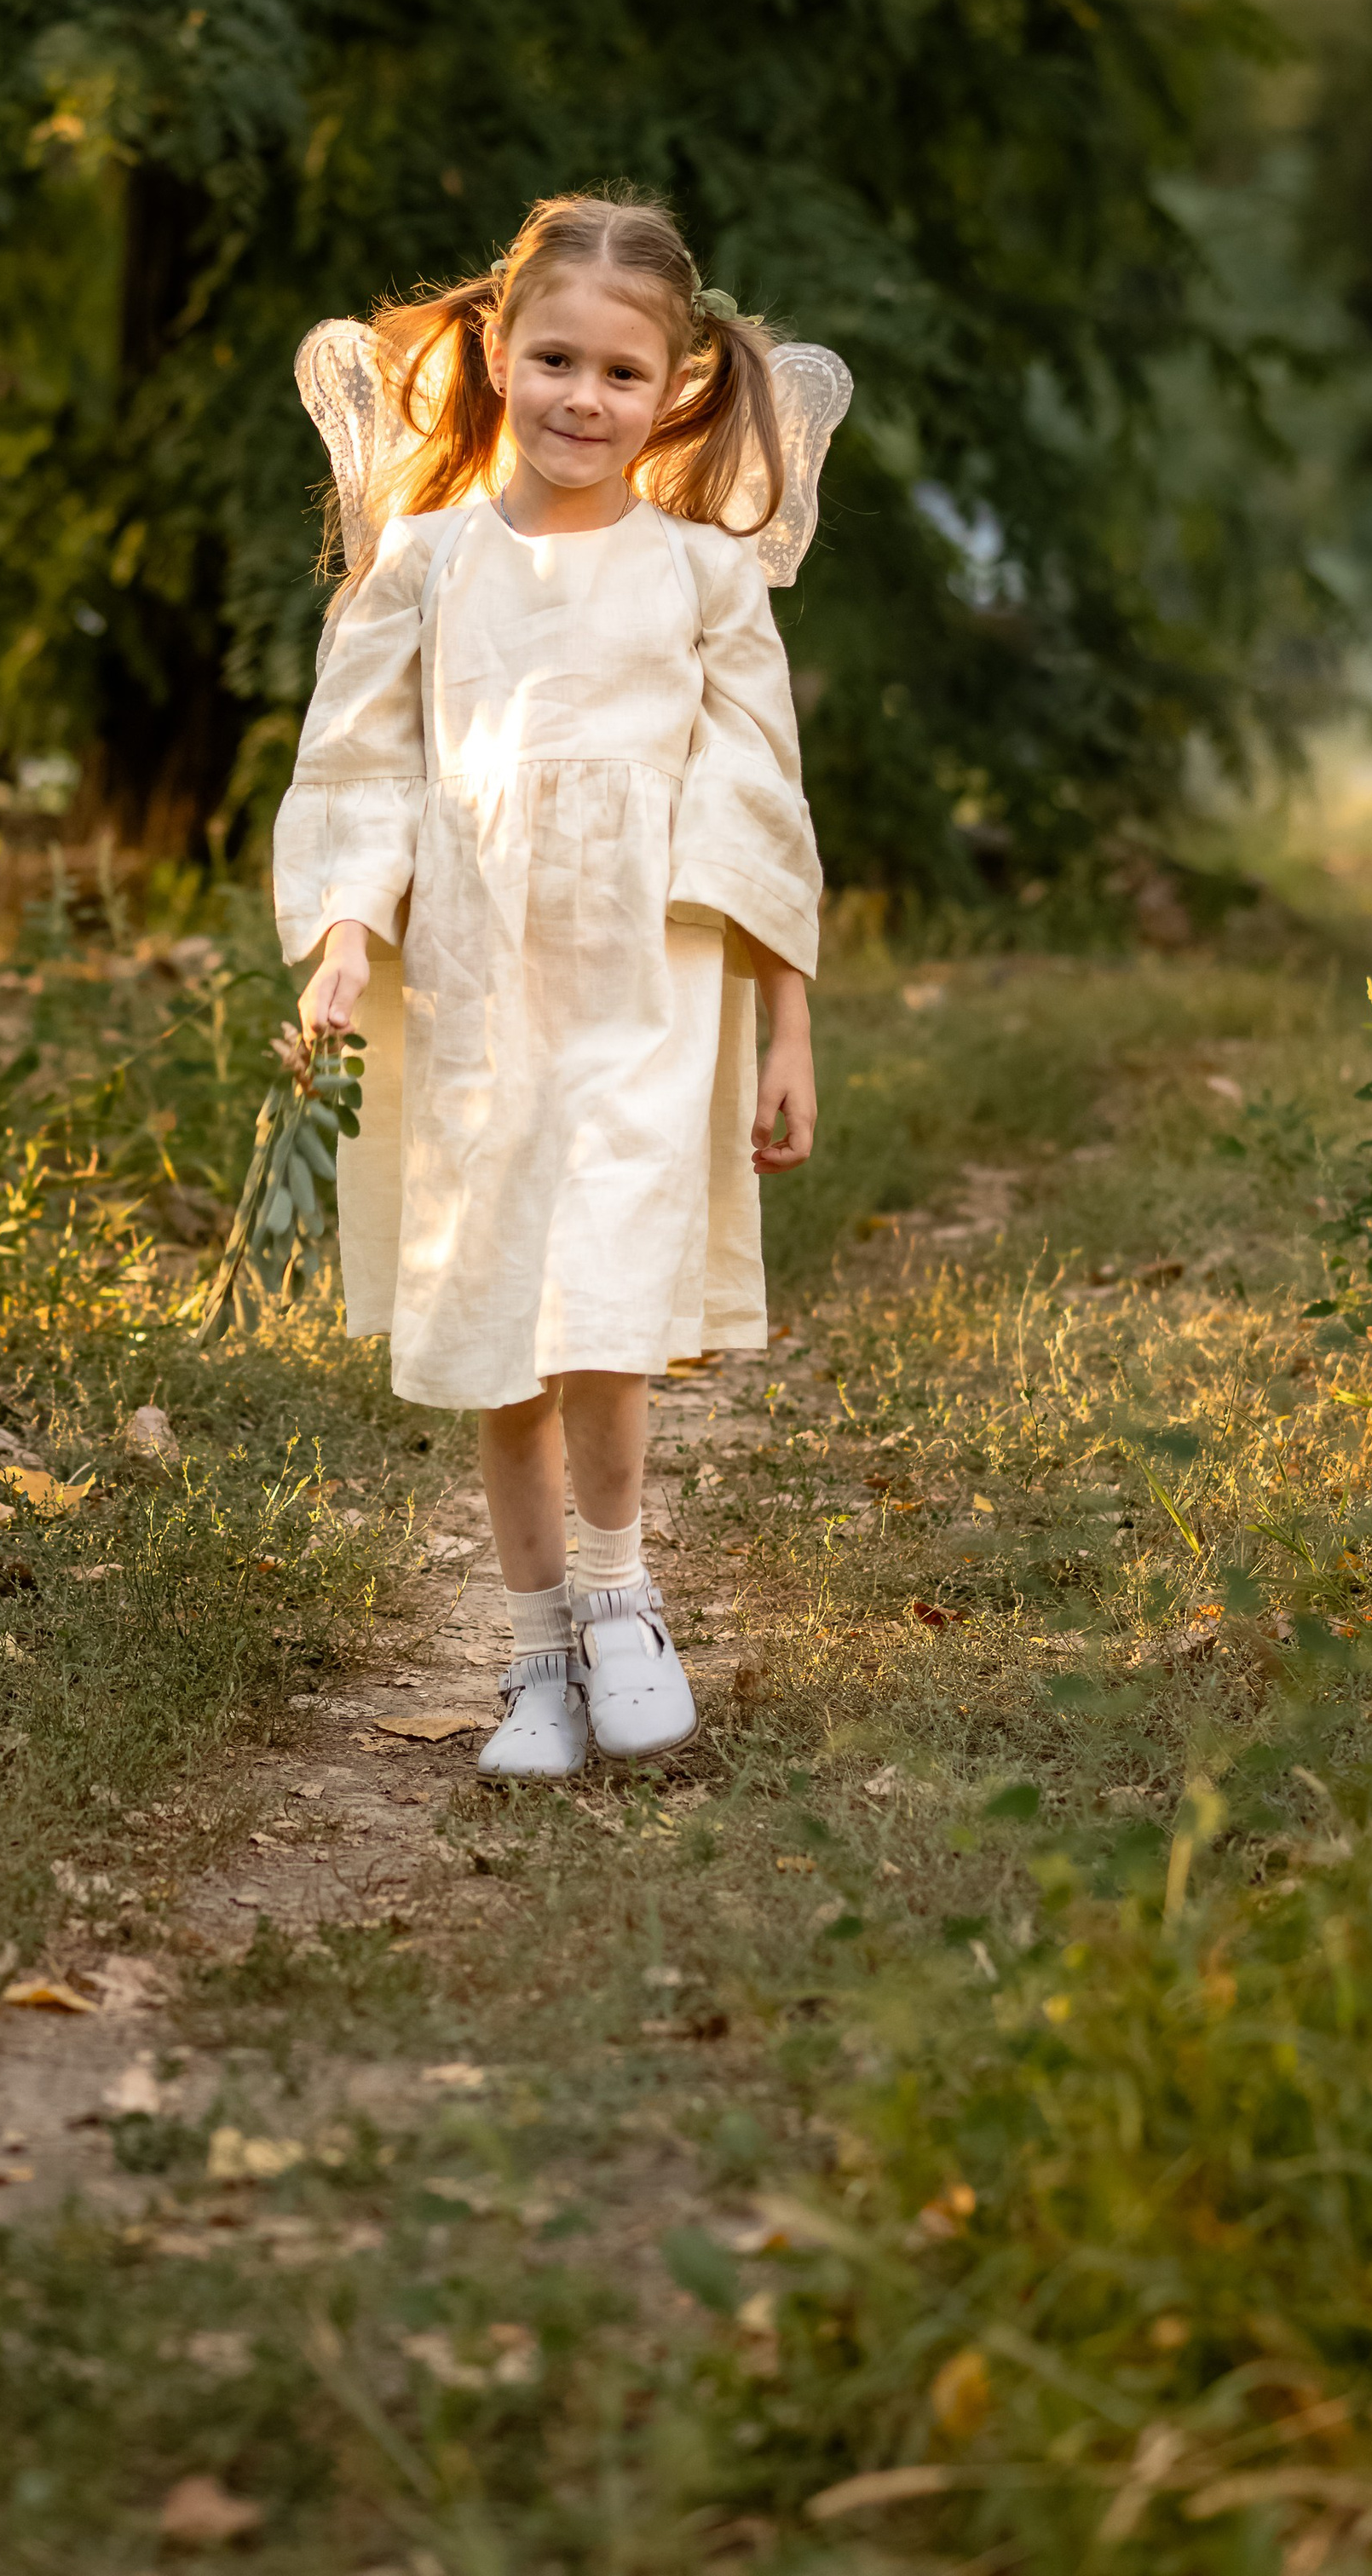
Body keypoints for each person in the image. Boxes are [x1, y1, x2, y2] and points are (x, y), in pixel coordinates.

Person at [274, 191, 845, 1778]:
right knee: (500, 1309)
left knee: (601, 1299)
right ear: (497, 357)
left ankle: (618, 1595)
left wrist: (787, 1026)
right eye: (556, 361)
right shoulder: (426, 560)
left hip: (647, 988)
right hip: (477, 989)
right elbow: (361, 764)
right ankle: (531, 1653)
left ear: (674, 387)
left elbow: (759, 804)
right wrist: (344, 937)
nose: (584, 399)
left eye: (620, 372)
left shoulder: (705, 577)